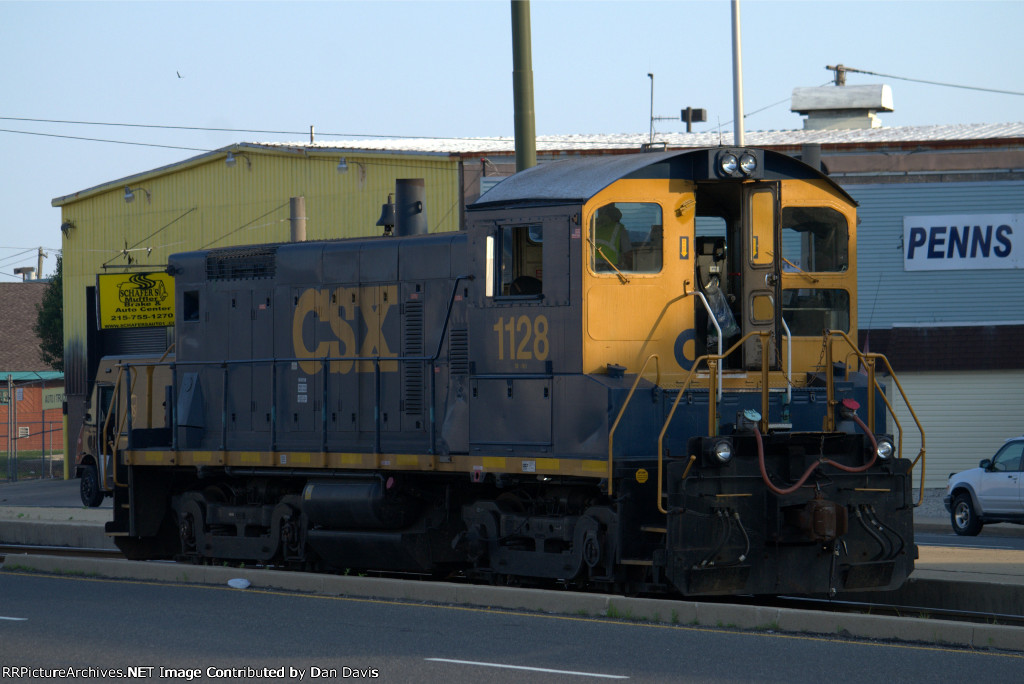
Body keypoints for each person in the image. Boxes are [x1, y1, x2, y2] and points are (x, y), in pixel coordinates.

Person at [593, 204, 632, 270]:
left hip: (590, 265)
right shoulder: (619, 228)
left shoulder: (592, 224)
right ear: (616, 219)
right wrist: (631, 269)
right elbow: (628, 254)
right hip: (610, 267)